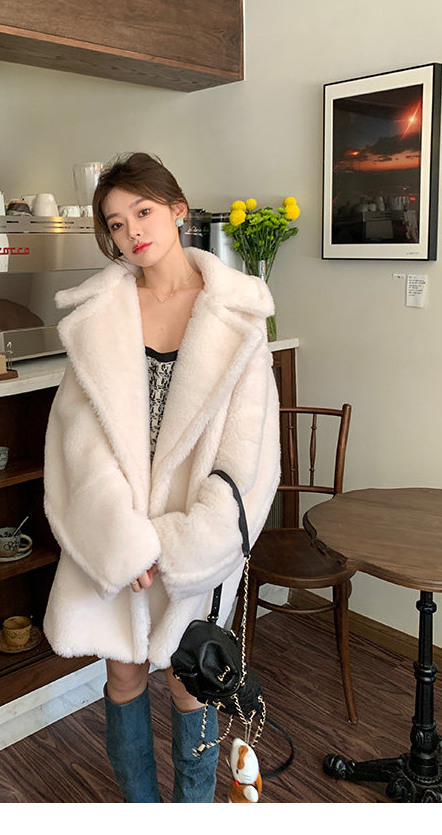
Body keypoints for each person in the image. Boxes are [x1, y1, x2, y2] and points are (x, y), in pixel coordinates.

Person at [42, 152, 281, 802]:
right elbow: (78, 442)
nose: (132, 233)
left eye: (142, 212)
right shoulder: (101, 316)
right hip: (117, 533)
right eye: (116, 224)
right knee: (123, 679)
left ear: (177, 209)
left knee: (188, 683)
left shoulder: (237, 315)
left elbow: (247, 454)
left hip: (192, 540)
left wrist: (178, 549)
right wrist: (124, 544)